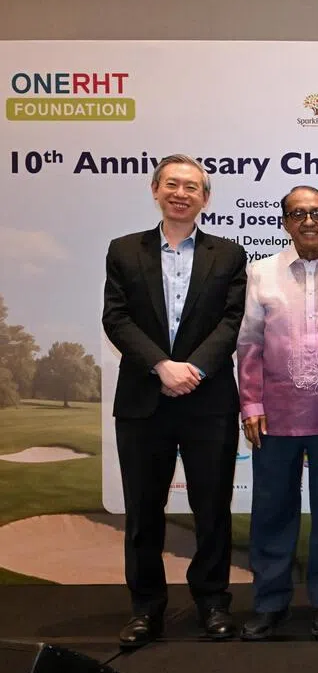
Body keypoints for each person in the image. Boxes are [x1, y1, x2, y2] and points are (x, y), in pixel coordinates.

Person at [102, 154, 247, 647]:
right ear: (155, 189)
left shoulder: (228, 255)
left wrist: (194, 368)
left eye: (191, 187)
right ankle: (145, 609)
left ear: (206, 198)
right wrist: (161, 366)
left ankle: (212, 603)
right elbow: (116, 319)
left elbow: (231, 321)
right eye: (172, 184)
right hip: (144, 399)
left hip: (208, 401)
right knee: (144, 511)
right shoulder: (124, 250)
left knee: (212, 508)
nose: (181, 194)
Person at [236, 186, 318, 641]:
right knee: (272, 511)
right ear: (285, 222)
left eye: (317, 213)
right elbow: (249, 343)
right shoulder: (260, 273)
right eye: (299, 213)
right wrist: (251, 403)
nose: (309, 221)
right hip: (274, 415)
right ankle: (270, 603)